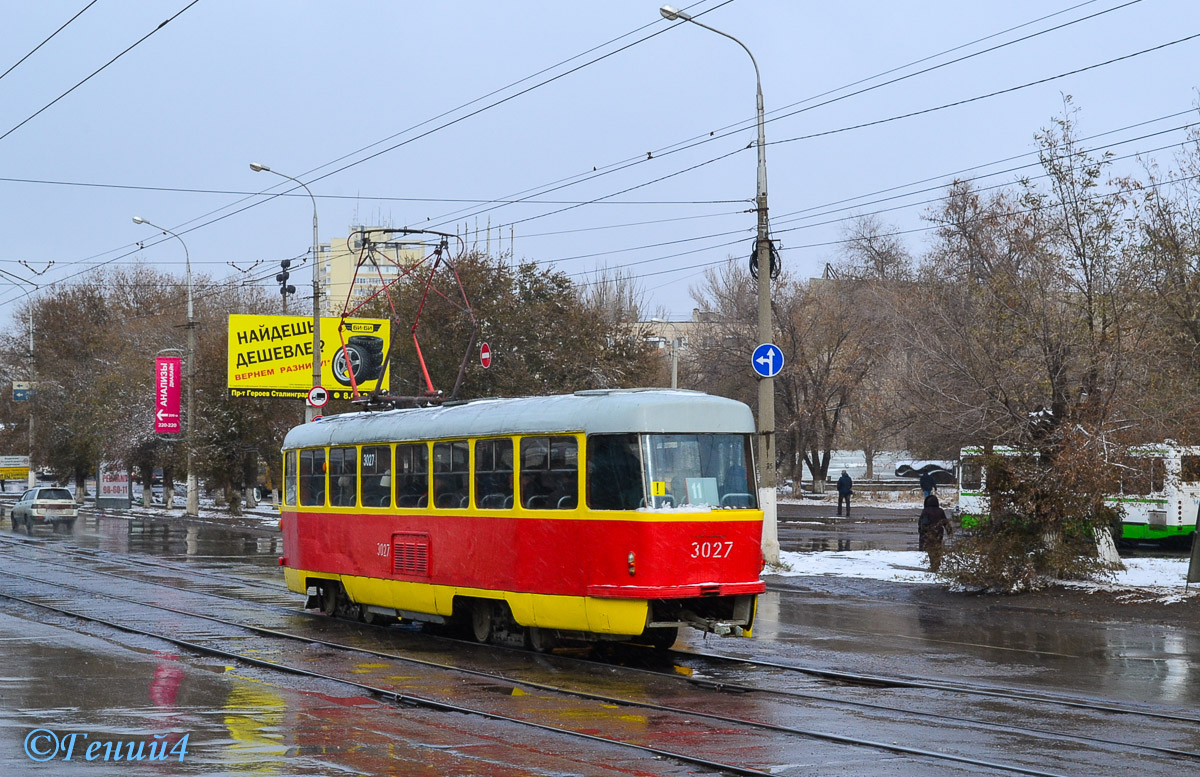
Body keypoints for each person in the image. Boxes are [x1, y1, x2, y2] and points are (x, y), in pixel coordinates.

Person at [918, 494, 952, 572]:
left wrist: (921, 532)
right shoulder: (940, 511)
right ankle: (937, 564)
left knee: (930, 549)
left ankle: (933, 565)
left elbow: (921, 523)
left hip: (928, 533)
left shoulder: (925, 511)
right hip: (938, 533)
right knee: (937, 548)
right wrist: (949, 532)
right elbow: (945, 522)